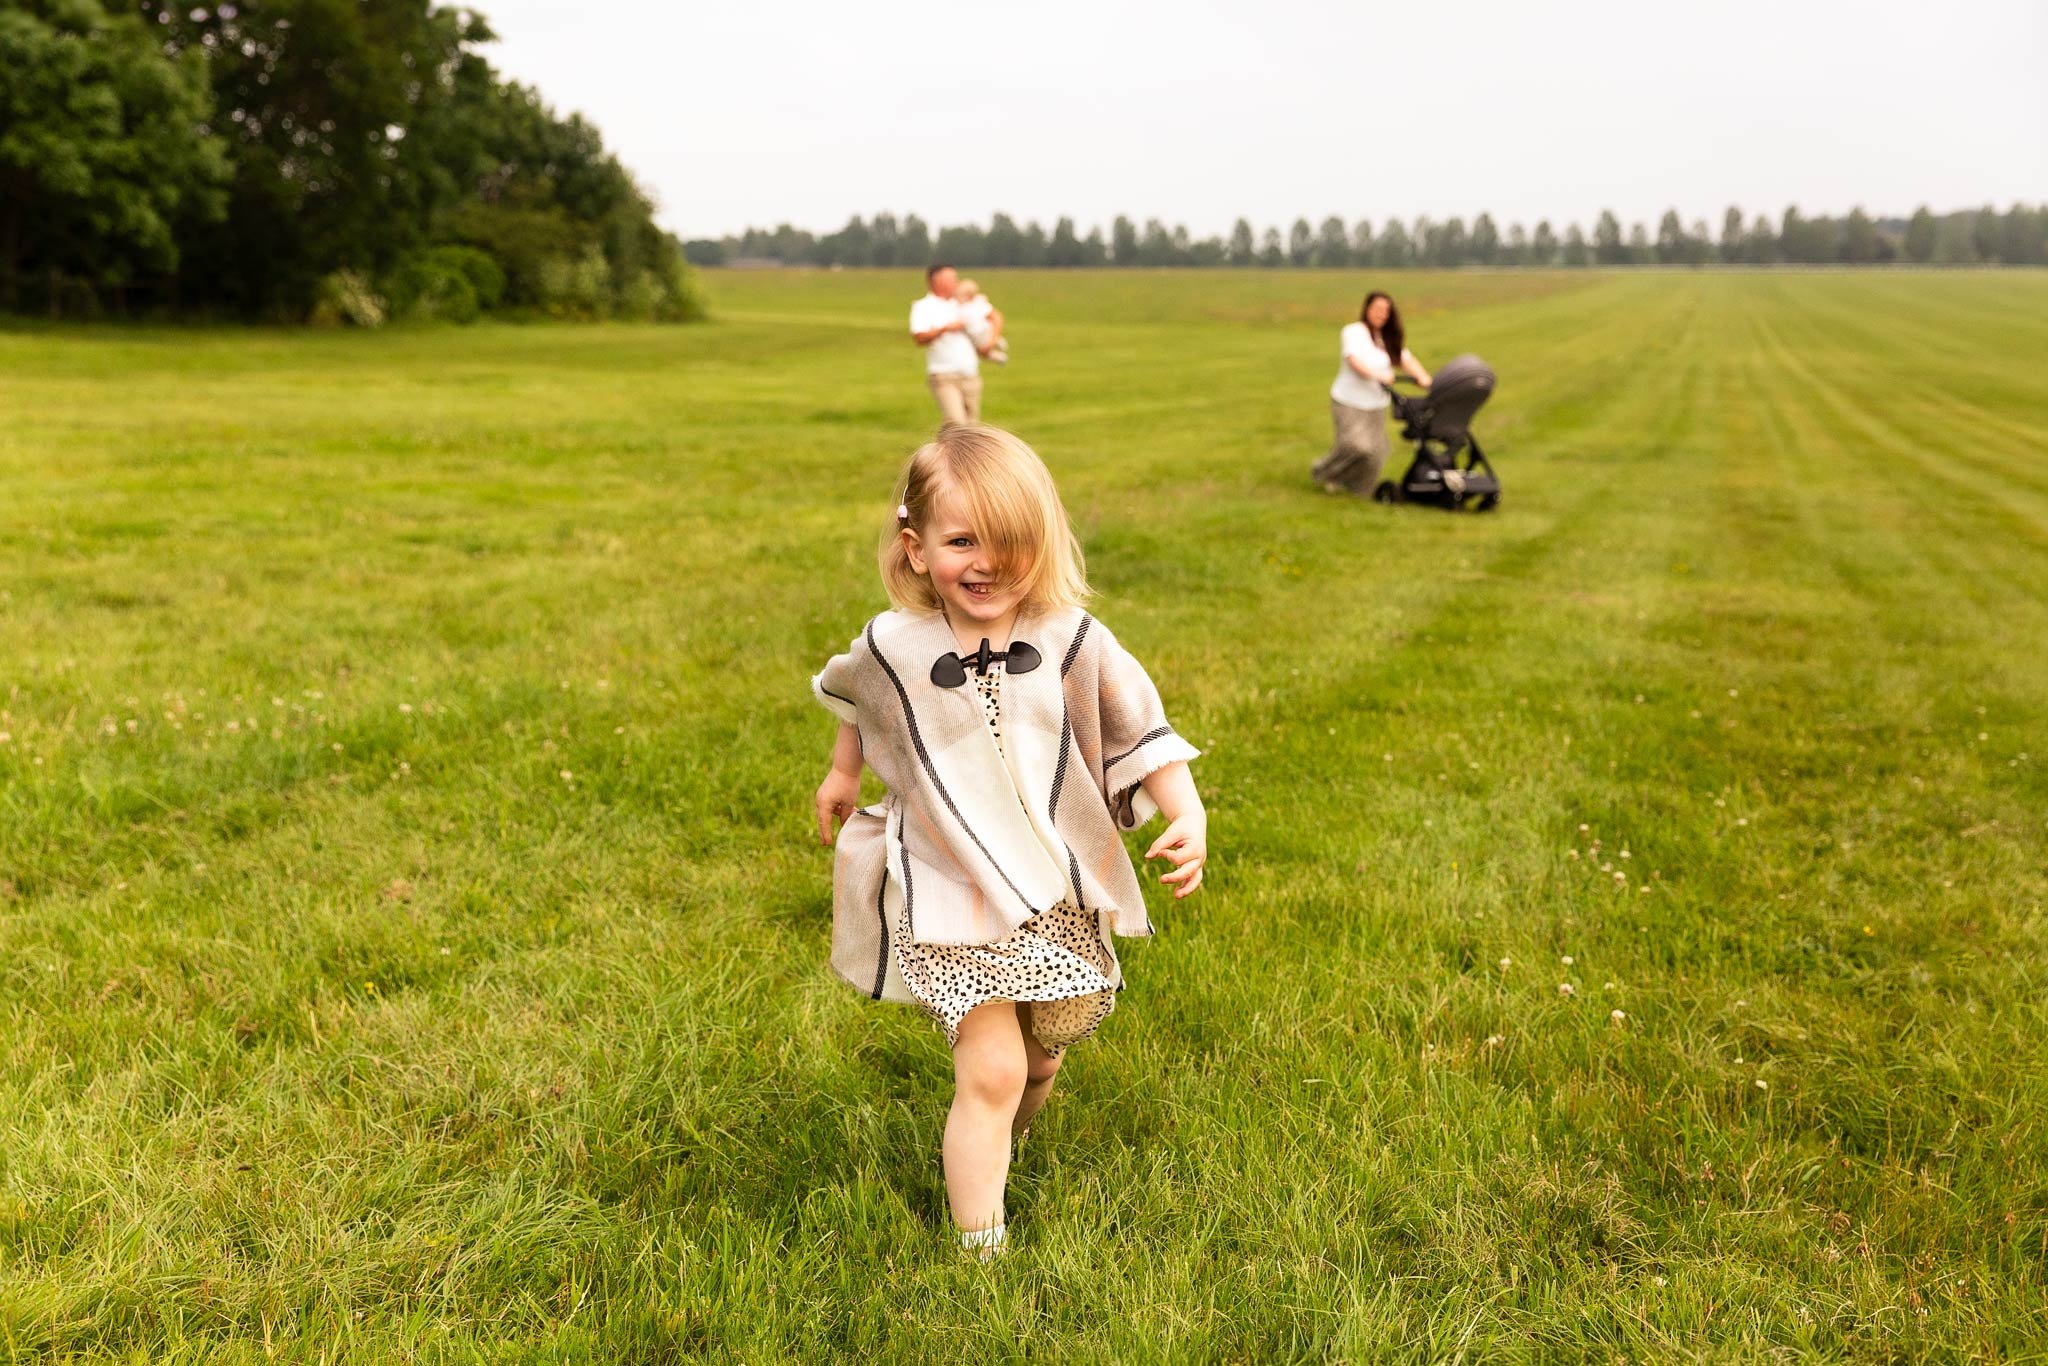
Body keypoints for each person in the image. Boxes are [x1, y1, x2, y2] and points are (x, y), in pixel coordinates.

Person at [811, 424, 1208, 1262]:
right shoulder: (897, 645)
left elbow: (1141, 728)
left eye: (1009, 542)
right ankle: (978, 1250)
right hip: (948, 885)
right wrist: (842, 778)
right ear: (916, 548)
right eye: (961, 541)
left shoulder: (1072, 639)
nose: (985, 562)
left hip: (1050, 891)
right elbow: (858, 702)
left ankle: (995, 1141)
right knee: (989, 1069)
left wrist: (1186, 811)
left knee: (1036, 1065)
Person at [1311, 290, 1433, 497]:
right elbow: (1353, 360)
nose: (1381, 314)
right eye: (1377, 309)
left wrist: (1425, 379)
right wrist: (1378, 375)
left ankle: (1358, 491)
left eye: (1386, 311)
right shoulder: (1353, 332)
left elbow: (1405, 360)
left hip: (1376, 404)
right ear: (1367, 309)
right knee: (1356, 446)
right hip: (1349, 401)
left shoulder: (1387, 338)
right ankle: (1323, 471)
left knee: (1377, 453)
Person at [909, 264, 981, 424]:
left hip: (970, 374)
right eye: (952, 279)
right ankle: (944, 448)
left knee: (973, 427)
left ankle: (949, 447)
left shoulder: (962, 301)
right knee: (956, 423)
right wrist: (946, 328)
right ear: (936, 281)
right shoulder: (923, 306)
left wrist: (989, 342)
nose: (956, 282)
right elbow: (919, 337)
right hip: (943, 375)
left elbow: (994, 316)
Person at [956, 277, 1008, 365]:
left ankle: (998, 343)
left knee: (984, 347)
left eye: (960, 295)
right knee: (982, 351)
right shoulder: (959, 306)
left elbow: (994, 316)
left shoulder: (978, 305)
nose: (958, 298)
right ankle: (999, 357)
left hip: (982, 330)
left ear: (969, 296)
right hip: (974, 334)